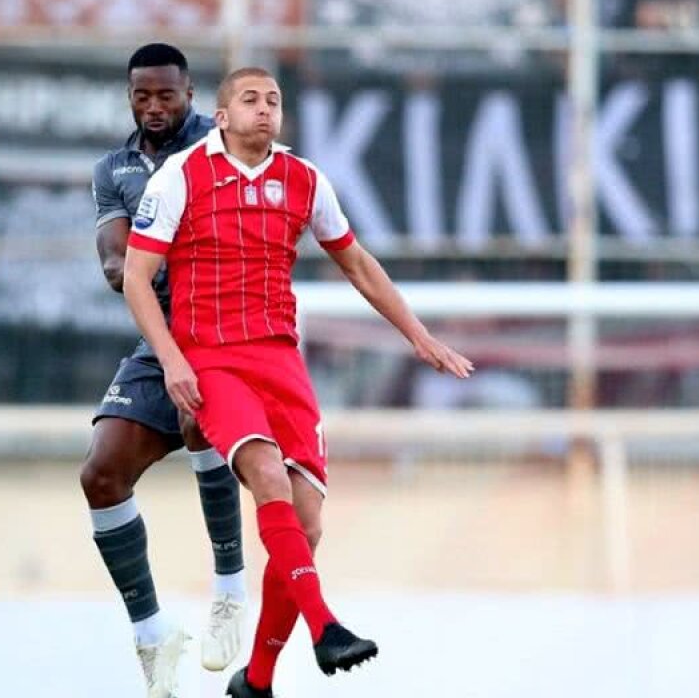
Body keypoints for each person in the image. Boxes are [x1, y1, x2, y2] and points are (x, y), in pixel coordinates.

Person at [123, 67, 474, 697]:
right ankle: (325, 626)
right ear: (222, 116)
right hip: (213, 358)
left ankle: (256, 681)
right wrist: (173, 359)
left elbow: (358, 265)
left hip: (280, 360)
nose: (265, 109)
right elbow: (135, 276)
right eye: (250, 100)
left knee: (305, 525)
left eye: (274, 101)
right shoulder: (183, 176)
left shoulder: (305, 179)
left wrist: (418, 334)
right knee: (264, 475)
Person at [81, 43, 248, 698]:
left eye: (166, 96)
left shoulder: (220, 147)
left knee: (196, 409)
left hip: (226, 327)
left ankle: (230, 590)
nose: (153, 107)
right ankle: (153, 634)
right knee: (100, 472)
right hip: (162, 334)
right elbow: (114, 259)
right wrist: (133, 265)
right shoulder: (113, 169)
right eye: (141, 96)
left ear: (191, 94)